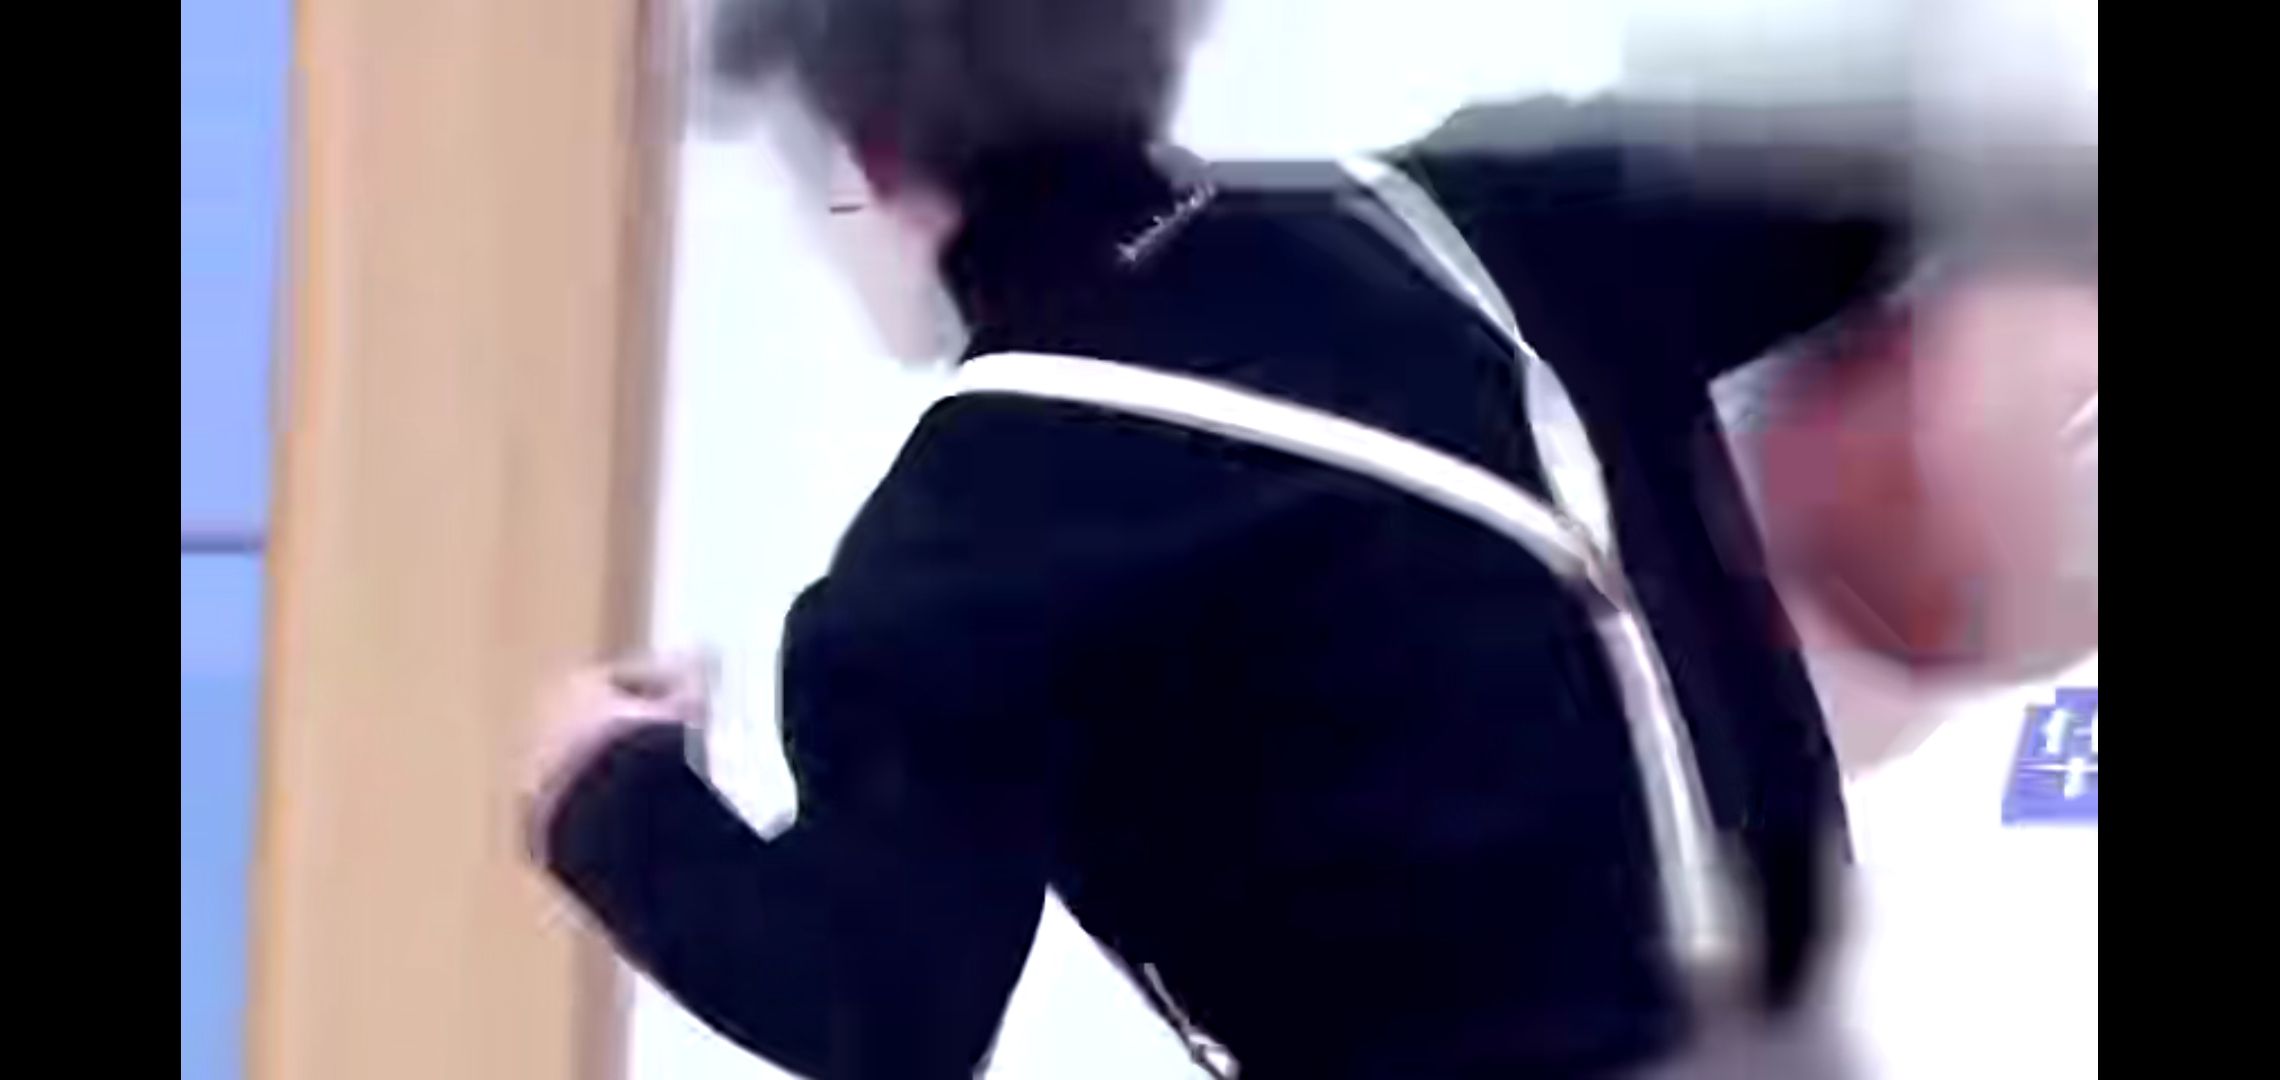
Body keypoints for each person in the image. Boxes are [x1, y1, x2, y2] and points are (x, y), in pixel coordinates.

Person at [524, 1, 2097, 1077]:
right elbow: (1908, 180)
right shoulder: (1494, 218)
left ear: (868, 161)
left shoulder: (959, 548)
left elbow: (876, 1014)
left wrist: (610, 794)